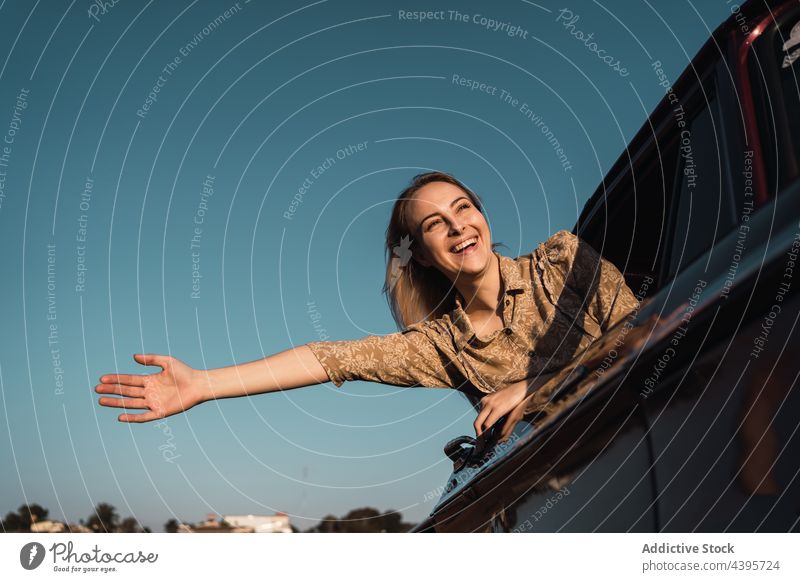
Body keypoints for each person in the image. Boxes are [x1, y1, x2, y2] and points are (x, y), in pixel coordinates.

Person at [96, 171, 638, 442]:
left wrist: (538, 386)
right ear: (422, 256)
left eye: (463, 208)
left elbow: (652, 326)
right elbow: (332, 358)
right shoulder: (441, 347)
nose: (457, 227)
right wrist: (203, 384)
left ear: (481, 216)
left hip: (665, 419)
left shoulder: (562, 262)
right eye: (434, 225)